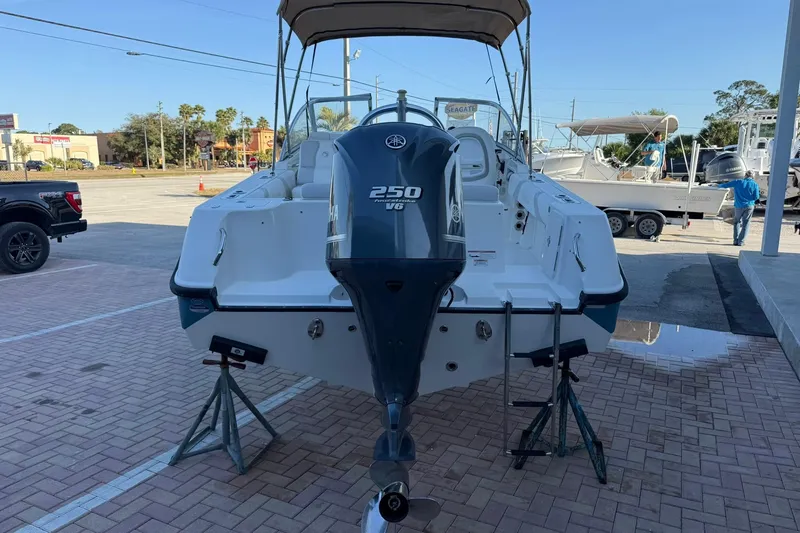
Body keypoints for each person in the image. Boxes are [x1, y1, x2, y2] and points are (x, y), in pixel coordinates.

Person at [717, 170, 760, 246]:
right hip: (749, 205)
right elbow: (756, 197)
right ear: (752, 176)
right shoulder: (755, 184)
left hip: (738, 206)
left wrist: (717, 186)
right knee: (746, 223)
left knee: (737, 222)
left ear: (745, 175)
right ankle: (741, 241)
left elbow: (726, 185)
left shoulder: (738, 182)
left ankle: (735, 240)